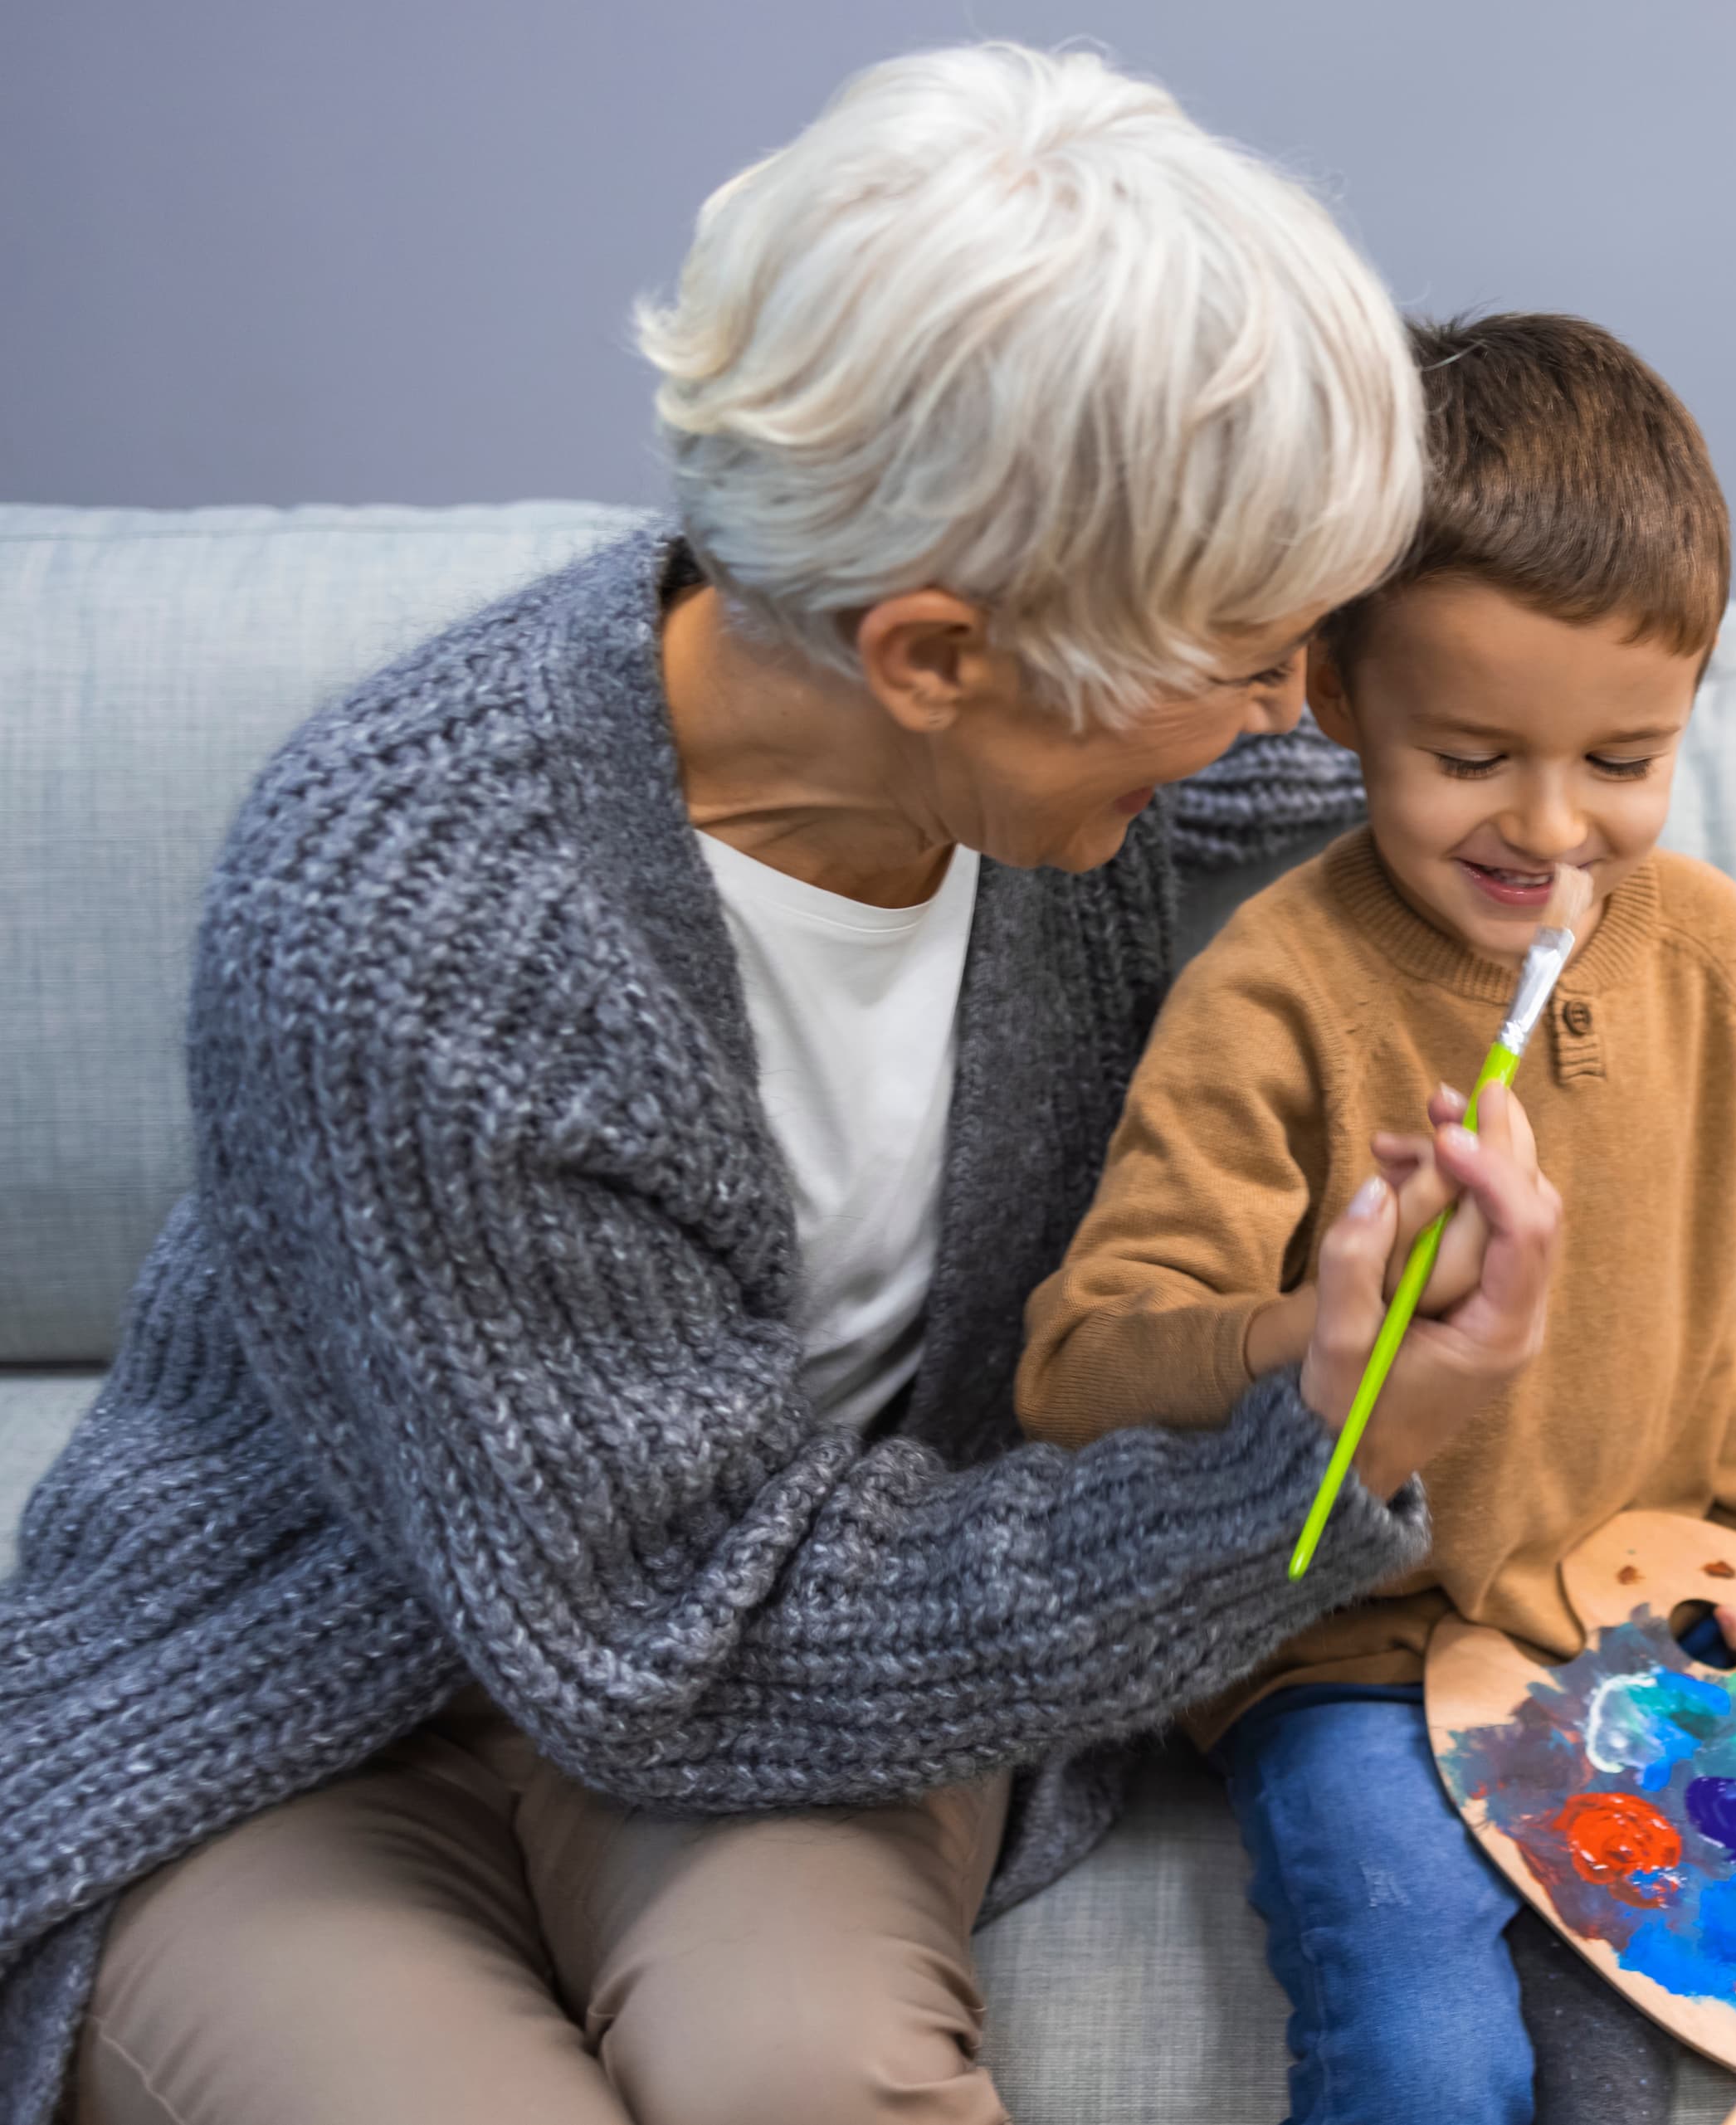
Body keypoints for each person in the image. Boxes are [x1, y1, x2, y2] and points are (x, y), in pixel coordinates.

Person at [0, 47, 1570, 2125]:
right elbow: (668, 1651)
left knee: (821, 2079)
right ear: (930, 657)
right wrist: (1304, 1473)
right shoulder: (407, 931)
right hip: (311, 1698)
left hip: (804, 1671)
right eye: (1250, 660)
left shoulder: (1105, 774)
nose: (1297, 718)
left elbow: (1487, 796)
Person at [1019, 313, 1736, 2125]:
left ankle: (1622, 1874)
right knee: (1427, 2035)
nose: (1551, 828)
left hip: (1659, 1595)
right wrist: (1316, 1322)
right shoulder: (1274, 994)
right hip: (1364, 1653)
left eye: (1624, 760)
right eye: (1472, 756)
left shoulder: (1706, 947)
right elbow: (1076, 1368)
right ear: (1336, 696)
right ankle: (1589, 1903)